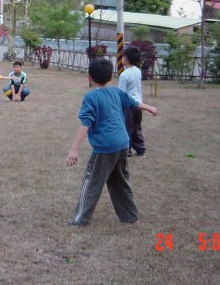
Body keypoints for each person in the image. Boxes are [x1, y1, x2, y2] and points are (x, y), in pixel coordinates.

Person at [66, 58, 157, 226]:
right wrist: (149, 107)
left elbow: (86, 123)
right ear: (110, 77)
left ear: (89, 77)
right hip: (122, 143)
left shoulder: (91, 97)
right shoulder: (116, 92)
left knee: (92, 182)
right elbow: (134, 103)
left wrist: (74, 150)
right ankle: (130, 217)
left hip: (105, 148)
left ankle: (80, 219)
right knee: (120, 182)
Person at [118, 46, 146, 157]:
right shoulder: (137, 71)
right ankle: (140, 148)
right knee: (136, 127)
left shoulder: (124, 75)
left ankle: (127, 150)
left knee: (126, 127)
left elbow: (121, 93)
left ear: (126, 58)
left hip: (128, 106)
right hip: (139, 104)